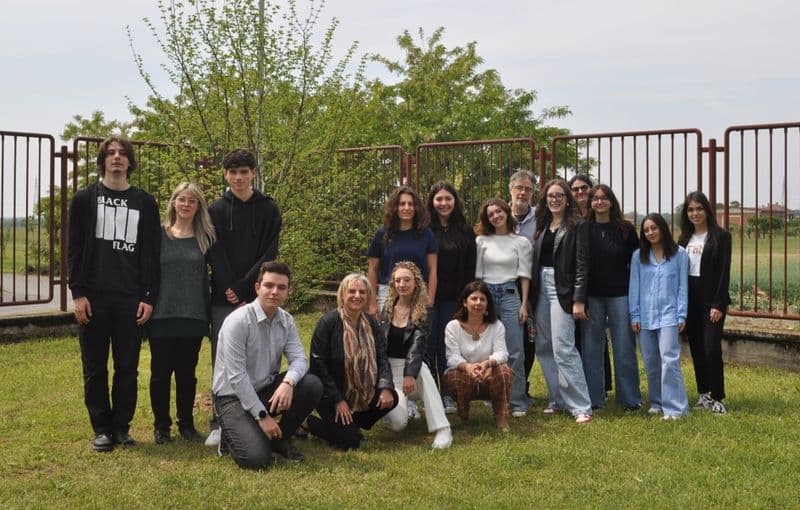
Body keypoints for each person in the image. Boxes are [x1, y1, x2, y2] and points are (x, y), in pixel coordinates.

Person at [68, 136, 161, 451]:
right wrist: (77, 293)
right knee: (94, 366)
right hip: (93, 298)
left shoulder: (145, 202)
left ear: (131, 161)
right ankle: (101, 429)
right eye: (111, 153)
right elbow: (74, 249)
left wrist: (148, 296)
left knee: (127, 366)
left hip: (130, 299)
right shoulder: (84, 199)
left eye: (122, 153)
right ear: (102, 160)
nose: (117, 158)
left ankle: (122, 427)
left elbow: (151, 252)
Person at [212, 262, 322, 469]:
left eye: (281, 287)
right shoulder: (237, 321)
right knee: (257, 459)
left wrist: (288, 383)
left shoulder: (286, 321)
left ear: (288, 291)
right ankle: (229, 436)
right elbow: (236, 377)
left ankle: (281, 438)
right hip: (232, 397)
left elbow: (299, 359)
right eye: (269, 285)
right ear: (257, 288)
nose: (274, 292)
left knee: (311, 384)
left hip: (264, 389)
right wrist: (262, 417)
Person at [206, 148, 282, 447]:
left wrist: (246, 286)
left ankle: (254, 411)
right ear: (226, 175)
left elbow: (269, 252)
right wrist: (231, 287)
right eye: (233, 172)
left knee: (259, 356)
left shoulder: (269, 208)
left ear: (254, 174)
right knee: (223, 359)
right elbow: (215, 250)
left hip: (259, 293)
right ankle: (219, 421)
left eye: (244, 172)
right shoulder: (215, 210)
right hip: (224, 296)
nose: (239, 177)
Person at [148, 183, 216, 444]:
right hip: (162, 315)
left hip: (193, 315)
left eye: (192, 201)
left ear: (199, 206)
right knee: (160, 373)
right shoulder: (159, 235)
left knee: (187, 374)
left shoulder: (205, 239)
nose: (186, 204)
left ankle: (186, 425)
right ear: (173, 203)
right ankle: (161, 428)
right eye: (181, 199)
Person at [308, 273, 398, 450]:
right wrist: (338, 400)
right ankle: (306, 423)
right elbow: (317, 365)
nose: (357, 296)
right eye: (352, 291)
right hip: (330, 393)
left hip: (362, 392)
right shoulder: (328, 323)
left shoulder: (372, 324)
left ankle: (351, 424)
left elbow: (381, 357)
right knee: (349, 442)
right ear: (342, 294)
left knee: (392, 398)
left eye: (362, 292)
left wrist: (385, 386)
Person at [531, 179, 593, 424]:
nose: (554, 199)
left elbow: (582, 264)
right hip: (541, 288)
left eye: (559, 195)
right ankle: (558, 399)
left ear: (567, 199)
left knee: (563, 346)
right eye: (550, 195)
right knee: (544, 346)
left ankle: (580, 406)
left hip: (563, 289)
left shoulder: (578, 226)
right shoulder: (543, 226)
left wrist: (579, 298)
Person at [579, 184, 642, 410]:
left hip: (620, 296)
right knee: (592, 348)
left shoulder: (625, 229)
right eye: (595, 198)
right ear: (590, 203)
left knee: (624, 348)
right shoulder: (583, 228)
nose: (599, 202)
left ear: (612, 201)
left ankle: (630, 398)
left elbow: (637, 262)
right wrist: (581, 298)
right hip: (592, 297)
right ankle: (595, 398)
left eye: (604, 198)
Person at [380, 261, 453, 449]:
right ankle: (402, 410)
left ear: (416, 283)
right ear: (393, 284)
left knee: (424, 372)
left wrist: (410, 374)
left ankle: (443, 428)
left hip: (413, 368)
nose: (402, 284)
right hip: (390, 371)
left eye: (407, 280)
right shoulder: (386, 310)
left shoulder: (424, 310)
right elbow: (380, 348)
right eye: (398, 280)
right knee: (397, 424)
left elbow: (417, 345)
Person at [474, 198, 532, 417]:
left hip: (510, 295)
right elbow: (477, 274)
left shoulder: (521, 242)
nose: (496, 216)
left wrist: (524, 304)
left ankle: (517, 401)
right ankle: (493, 397)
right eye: (491, 214)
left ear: (506, 212)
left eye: (499, 211)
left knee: (515, 350)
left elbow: (525, 275)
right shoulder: (481, 241)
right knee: (488, 349)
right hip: (485, 294)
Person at [629, 213, 690, 420]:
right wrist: (634, 315)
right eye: (646, 230)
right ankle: (657, 401)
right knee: (650, 361)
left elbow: (683, 287)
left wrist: (681, 314)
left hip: (669, 316)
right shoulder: (638, 256)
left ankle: (675, 408)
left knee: (669, 360)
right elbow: (634, 287)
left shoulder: (680, 255)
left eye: (654, 228)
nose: (650, 232)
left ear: (663, 228)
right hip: (645, 317)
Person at [678, 191, 732, 414]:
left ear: (707, 210)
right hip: (690, 299)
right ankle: (704, 395)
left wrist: (718, 304)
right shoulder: (683, 238)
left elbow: (724, 272)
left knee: (711, 349)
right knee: (697, 349)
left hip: (712, 300)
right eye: (690, 209)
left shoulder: (721, 237)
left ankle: (718, 397)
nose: (695, 213)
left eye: (699, 208)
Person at [426, 182, 476, 414]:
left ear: (455, 201)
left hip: (453, 298)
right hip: (427, 297)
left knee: (447, 346)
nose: (443, 203)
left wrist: (465, 299)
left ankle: (448, 394)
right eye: (439, 199)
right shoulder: (424, 229)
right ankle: (430, 394)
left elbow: (470, 267)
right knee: (427, 345)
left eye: (448, 198)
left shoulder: (465, 230)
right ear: (432, 202)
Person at [444, 280, 514, 432]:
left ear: (488, 304)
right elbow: (452, 357)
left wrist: (487, 365)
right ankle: (463, 413)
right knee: (454, 375)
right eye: (474, 299)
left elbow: (502, 353)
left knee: (504, 371)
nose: (478, 303)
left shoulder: (496, 325)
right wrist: (468, 367)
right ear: (464, 302)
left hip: (489, 374)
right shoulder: (453, 327)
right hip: (464, 375)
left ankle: (501, 416)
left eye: (482, 299)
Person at [569, 173, 613, 393]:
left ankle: (602, 384)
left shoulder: (599, 217)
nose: (579, 192)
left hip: (597, 287)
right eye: (575, 189)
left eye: (583, 188)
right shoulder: (568, 218)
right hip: (573, 285)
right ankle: (582, 383)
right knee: (577, 337)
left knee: (596, 337)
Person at [367, 186, 438, 317]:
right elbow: (372, 269)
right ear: (395, 207)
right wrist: (372, 303)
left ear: (416, 208)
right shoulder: (382, 233)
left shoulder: (426, 234)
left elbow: (433, 269)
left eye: (411, 204)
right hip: (388, 293)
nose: (407, 208)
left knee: (416, 336)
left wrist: (430, 299)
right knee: (387, 336)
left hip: (418, 294)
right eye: (402, 204)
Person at [508, 170, 537, 400]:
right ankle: (500, 387)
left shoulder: (540, 217)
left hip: (531, 284)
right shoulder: (499, 214)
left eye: (528, 189)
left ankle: (522, 385)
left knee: (529, 337)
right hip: (503, 283)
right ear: (511, 190)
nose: (523, 193)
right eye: (520, 188)